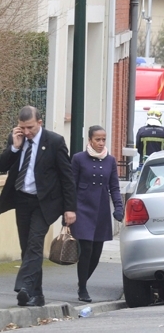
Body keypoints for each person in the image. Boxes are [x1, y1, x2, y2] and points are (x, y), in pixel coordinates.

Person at [0, 106, 76, 307]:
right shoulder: (16, 139)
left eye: (30, 127)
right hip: (22, 200)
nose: (26, 132)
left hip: (45, 203)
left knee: (35, 243)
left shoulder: (54, 142)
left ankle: (24, 287)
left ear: (40, 123)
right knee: (27, 248)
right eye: (22, 127)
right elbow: (2, 166)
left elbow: (67, 177)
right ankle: (37, 295)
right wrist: (14, 148)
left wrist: (70, 208)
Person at [70, 126, 124, 302]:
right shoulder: (78, 158)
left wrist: (118, 207)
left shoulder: (110, 161)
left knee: (96, 252)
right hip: (82, 208)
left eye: (103, 139)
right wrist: (68, 209)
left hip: (101, 209)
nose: (101, 143)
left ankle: (82, 281)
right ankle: (82, 288)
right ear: (90, 140)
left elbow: (114, 187)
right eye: (97, 139)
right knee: (86, 248)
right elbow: (71, 186)